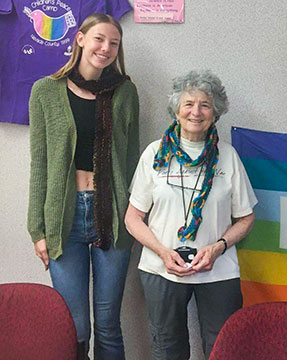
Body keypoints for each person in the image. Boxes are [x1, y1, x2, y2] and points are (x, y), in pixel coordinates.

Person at [27, 13, 139, 360]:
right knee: (75, 327)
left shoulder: (124, 91)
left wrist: (136, 216)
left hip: (113, 215)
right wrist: (37, 230)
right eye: (99, 39)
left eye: (114, 43)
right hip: (65, 218)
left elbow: (132, 159)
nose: (105, 48)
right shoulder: (46, 91)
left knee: (107, 324)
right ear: (80, 39)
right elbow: (40, 164)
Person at [124, 70, 257, 360]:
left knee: (224, 348)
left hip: (218, 270)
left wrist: (219, 247)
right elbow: (133, 218)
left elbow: (246, 218)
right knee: (166, 347)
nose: (196, 112)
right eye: (188, 104)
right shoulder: (154, 154)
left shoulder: (228, 156)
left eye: (205, 105)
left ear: (215, 113)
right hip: (161, 268)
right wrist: (161, 251)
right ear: (176, 109)